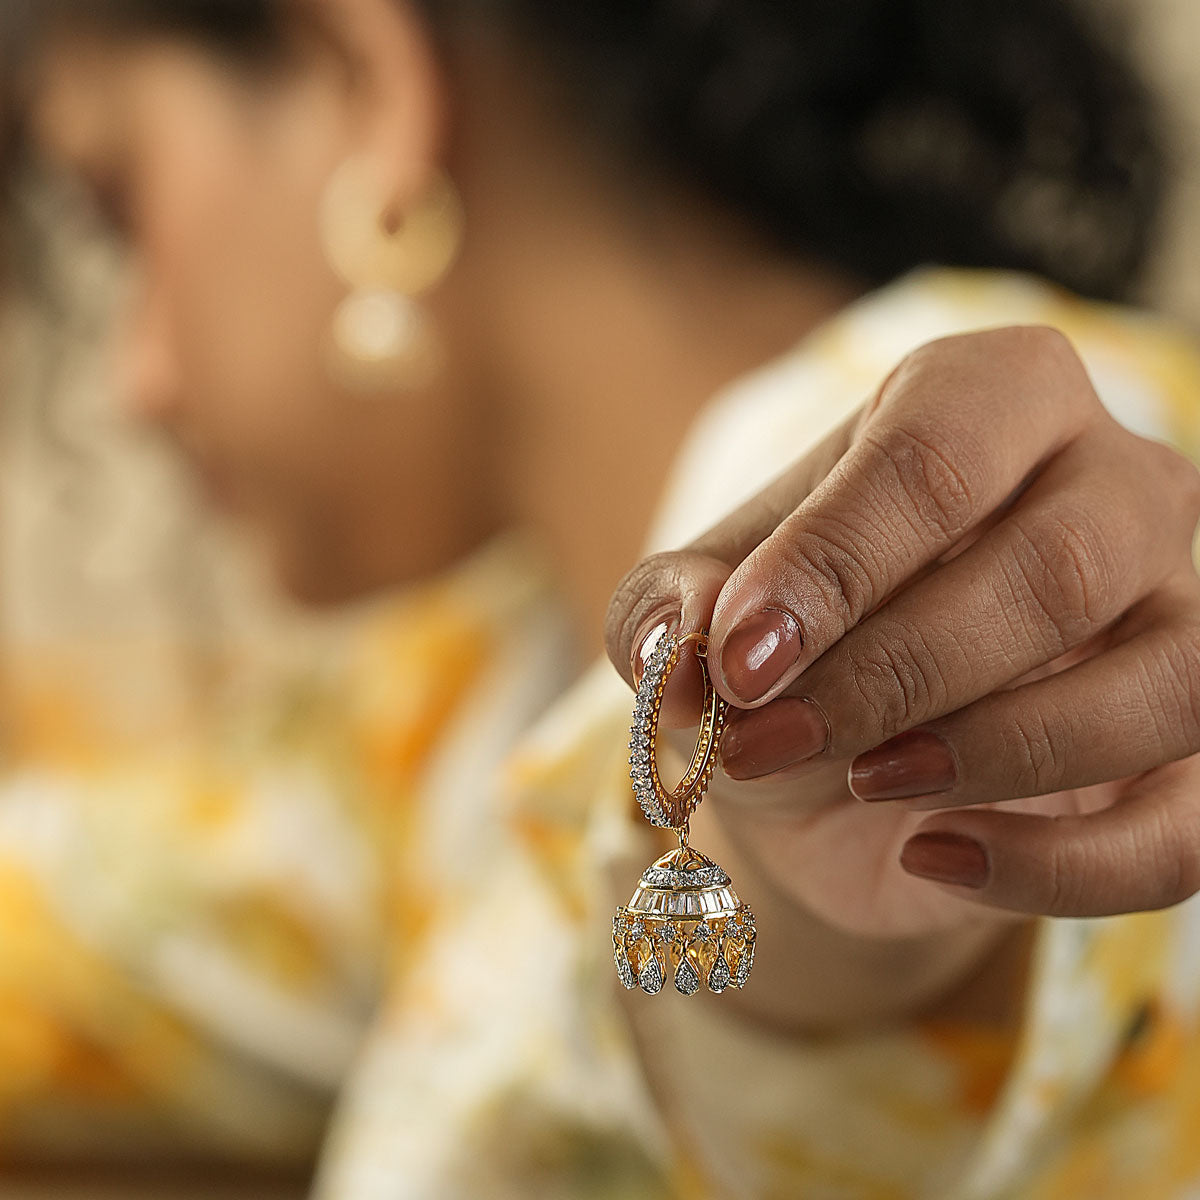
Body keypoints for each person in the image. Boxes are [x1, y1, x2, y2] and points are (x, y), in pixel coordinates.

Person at [10, 0, 1200, 1196]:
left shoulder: (999, 455)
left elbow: (878, 903)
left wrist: (810, 863)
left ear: (364, 84)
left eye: (121, 208)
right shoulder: (457, 715)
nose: (135, 378)